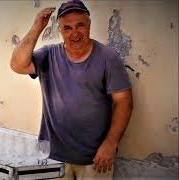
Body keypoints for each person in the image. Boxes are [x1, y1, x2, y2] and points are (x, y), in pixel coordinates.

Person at [10, 0, 133, 179]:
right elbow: (17, 65)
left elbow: (124, 102)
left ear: (89, 25)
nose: (74, 33)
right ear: (60, 31)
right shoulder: (49, 55)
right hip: (52, 157)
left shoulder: (108, 58)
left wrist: (110, 144)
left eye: (80, 25)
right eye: (67, 28)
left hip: (95, 160)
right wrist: (38, 27)